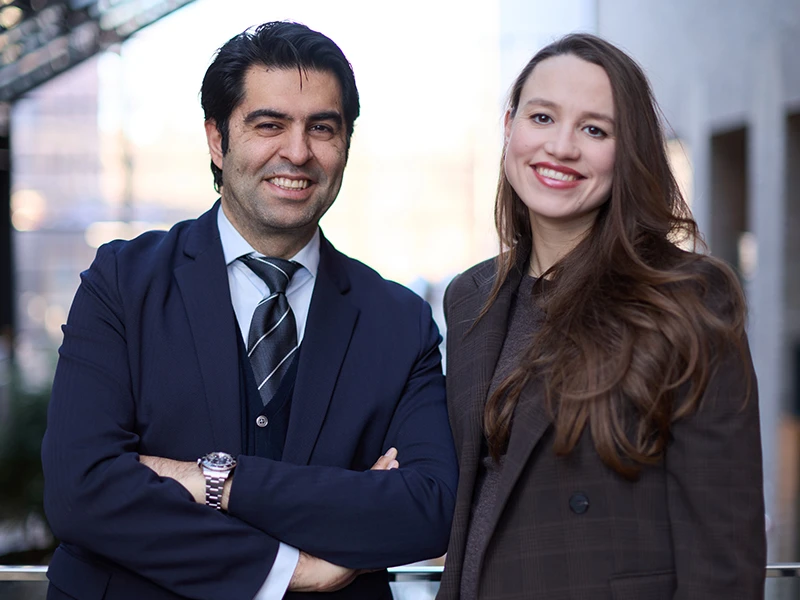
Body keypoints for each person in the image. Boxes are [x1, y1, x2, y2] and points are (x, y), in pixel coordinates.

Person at [41, 21, 457, 600]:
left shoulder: (399, 319)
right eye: (269, 125)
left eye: (323, 128)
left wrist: (211, 480)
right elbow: (80, 492)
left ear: (345, 145)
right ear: (217, 139)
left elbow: (427, 509)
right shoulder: (123, 282)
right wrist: (292, 566)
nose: (298, 151)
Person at [437, 33, 765, 600]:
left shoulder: (685, 296)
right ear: (510, 125)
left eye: (595, 129)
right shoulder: (470, 297)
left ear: (628, 149)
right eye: (542, 117)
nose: (561, 147)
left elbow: (723, 548)